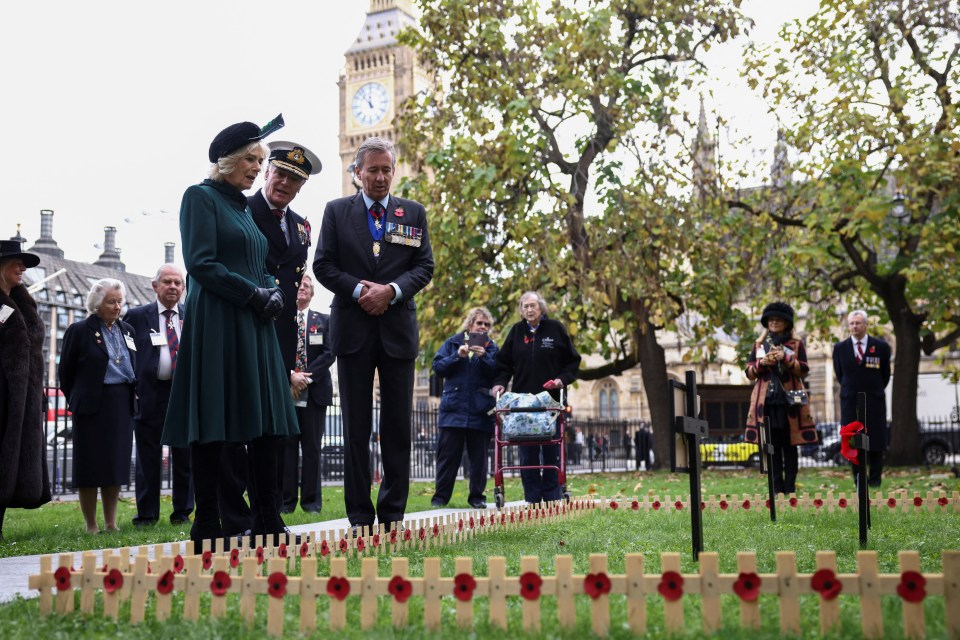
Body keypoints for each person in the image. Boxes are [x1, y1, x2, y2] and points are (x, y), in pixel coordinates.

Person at [161, 116, 299, 546]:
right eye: (252, 160)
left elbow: (260, 264)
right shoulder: (199, 198)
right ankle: (207, 523)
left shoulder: (242, 207)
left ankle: (267, 520)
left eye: (260, 161)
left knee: (266, 422)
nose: (258, 168)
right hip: (220, 319)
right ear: (227, 162)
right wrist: (254, 294)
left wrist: (273, 291)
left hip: (253, 321)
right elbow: (201, 263)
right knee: (215, 419)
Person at [314, 136, 434, 531]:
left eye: (386, 170)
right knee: (355, 427)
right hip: (353, 330)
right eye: (373, 170)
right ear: (357, 173)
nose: (380, 177)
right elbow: (324, 266)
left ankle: (393, 512)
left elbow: (424, 267)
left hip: (397, 330)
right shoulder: (336, 212)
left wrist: (392, 292)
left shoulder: (412, 213)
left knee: (398, 426)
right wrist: (360, 289)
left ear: (393, 172)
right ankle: (360, 515)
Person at [58, 278, 137, 533]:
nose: (117, 307)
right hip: (92, 405)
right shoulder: (79, 330)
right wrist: (78, 396)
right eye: (111, 301)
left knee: (114, 465)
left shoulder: (127, 330)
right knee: (90, 465)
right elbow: (66, 371)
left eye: (119, 301)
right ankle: (91, 524)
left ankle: (111, 523)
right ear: (97, 304)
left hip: (120, 404)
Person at [491, 291, 581, 504]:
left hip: (550, 402)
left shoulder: (555, 329)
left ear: (541, 308)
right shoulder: (515, 332)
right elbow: (503, 363)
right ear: (521, 311)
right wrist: (500, 383)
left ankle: (551, 495)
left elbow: (572, 362)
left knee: (552, 449)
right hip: (523, 403)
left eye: (533, 305)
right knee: (527, 451)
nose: (529, 310)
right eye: (525, 306)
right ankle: (532, 497)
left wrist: (561, 380)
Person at [124, 264, 193, 527]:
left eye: (178, 283)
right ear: (155, 286)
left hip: (183, 396)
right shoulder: (137, 316)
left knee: (185, 457)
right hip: (150, 395)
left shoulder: (192, 315)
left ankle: (183, 512)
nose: (173, 287)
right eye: (167, 282)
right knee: (147, 458)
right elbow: (128, 356)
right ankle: (147, 514)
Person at [0, 240, 51, 541]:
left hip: (22, 398)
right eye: (16, 263)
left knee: (11, 461)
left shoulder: (22, 301)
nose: (22, 268)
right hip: (3, 393)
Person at [743, 302, 817, 495]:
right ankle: (776, 489)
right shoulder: (759, 345)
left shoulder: (796, 344)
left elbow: (804, 370)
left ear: (787, 323)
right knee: (771, 447)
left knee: (790, 446)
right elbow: (749, 373)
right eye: (770, 320)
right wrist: (762, 363)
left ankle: (790, 489)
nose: (774, 323)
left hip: (790, 403)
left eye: (778, 320)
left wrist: (785, 358)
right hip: (766, 403)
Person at [430, 307, 499, 510]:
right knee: (447, 457)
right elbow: (438, 368)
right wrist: (457, 356)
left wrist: (484, 356)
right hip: (453, 410)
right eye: (479, 323)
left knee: (479, 459)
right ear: (470, 325)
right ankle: (440, 498)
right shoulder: (452, 342)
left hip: (480, 410)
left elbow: (499, 372)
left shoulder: (492, 347)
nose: (483, 327)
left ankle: (477, 497)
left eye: (487, 325)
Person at [281, 274, 334, 514]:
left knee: (312, 448)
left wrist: (305, 376)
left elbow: (329, 352)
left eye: (307, 286)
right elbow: (277, 351)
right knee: (288, 448)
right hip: (287, 390)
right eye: (299, 284)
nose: (302, 288)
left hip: (314, 393)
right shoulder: (282, 321)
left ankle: (311, 503)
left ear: (312, 293)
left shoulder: (324, 321)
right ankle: (286, 502)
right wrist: (290, 375)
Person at [833, 309, 892, 486]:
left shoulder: (880, 347)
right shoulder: (839, 348)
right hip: (850, 401)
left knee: (875, 440)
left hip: (874, 400)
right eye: (851, 323)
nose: (855, 326)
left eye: (858, 323)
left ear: (866, 325)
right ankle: (859, 479)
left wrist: (873, 389)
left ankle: (874, 480)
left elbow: (885, 375)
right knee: (853, 441)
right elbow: (840, 374)